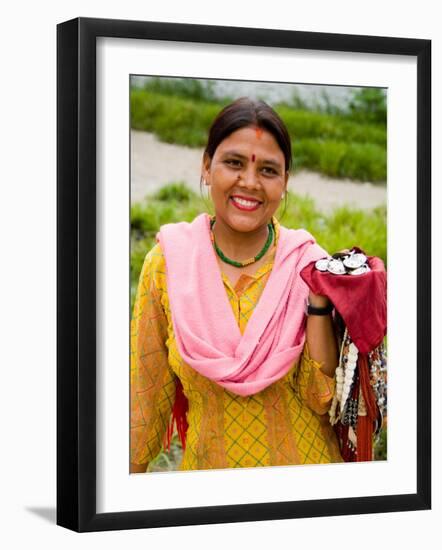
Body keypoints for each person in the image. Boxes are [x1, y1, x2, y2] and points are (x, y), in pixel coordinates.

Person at [130, 97, 344, 473]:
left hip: (308, 488)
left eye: (268, 170)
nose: (249, 182)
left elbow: (322, 397)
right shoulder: (166, 265)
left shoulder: (310, 265)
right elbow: (144, 399)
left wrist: (319, 300)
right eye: (234, 163)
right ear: (207, 166)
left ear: (285, 182)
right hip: (209, 493)